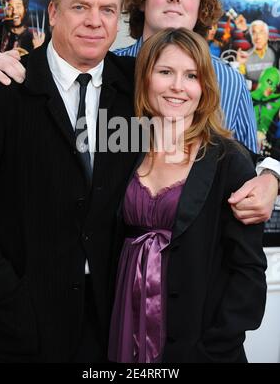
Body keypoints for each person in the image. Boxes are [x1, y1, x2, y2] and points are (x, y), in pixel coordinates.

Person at [0, 0, 278, 225]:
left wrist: (272, 178)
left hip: (199, 261)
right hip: (116, 264)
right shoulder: (115, 69)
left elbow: (247, 170)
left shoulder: (231, 81)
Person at [0, 0, 138, 363]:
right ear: (53, 12)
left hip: (110, 325)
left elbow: (203, 137)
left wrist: (270, 172)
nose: (94, 21)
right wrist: (3, 294)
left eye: (107, 9)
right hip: (16, 325)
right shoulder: (1, 88)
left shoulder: (138, 91)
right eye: (80, 6)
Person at [108, 28, 267, 363]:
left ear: (204, 87)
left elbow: (248, 273)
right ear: (146, 78)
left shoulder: (229, 161)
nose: (178, 86)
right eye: (165, 72)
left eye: (191, 75)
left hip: (198, 346)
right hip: (124, 329)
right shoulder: (124, 148)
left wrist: (213, 349)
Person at [237, 20, 278, 87]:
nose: (258, 37)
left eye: (261, 32)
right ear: (251, 37)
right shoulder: (244, 57)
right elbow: (240, 83)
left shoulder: (275, 51)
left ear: (267, 35)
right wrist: (239, 64)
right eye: (254, 33)